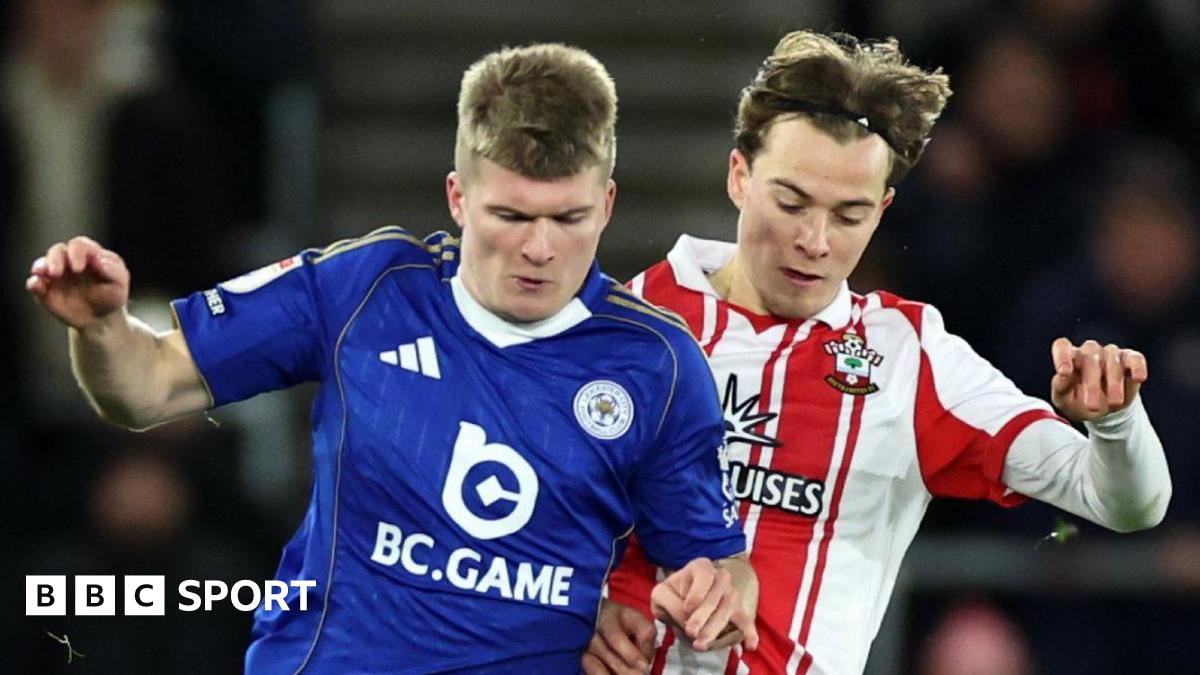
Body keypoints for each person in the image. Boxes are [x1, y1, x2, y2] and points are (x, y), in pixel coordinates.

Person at [26, 43, 758, 673]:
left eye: (568, 218)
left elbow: (714, 560)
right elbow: (144, 385)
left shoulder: (656, 364)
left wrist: (714, 593)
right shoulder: (364, 289)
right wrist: (99, 328)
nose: (540, 248)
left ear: (607, 203)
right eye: (511, 215)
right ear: (457, 198)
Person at [586, 31, 1171, 675]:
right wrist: (583, 613)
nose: (814, 239)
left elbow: (1127, 502)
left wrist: (1114, 419)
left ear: (883, 209)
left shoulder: (909, 360)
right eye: (791, 202)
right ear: (739, 177)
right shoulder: (620, 323)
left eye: (849, 215)